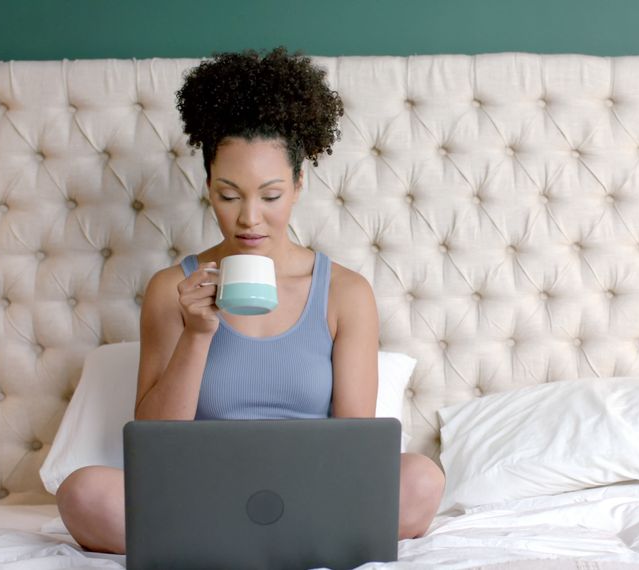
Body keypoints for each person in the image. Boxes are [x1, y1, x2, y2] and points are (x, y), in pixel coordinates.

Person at [55, 47, 446, 555]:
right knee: (81, 491)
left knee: (421, 477)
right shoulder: (171, 288)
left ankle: (231, 547)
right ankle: (287, 546)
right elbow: (153, 443)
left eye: (270, 195)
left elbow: (357, 451)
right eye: (229, 194)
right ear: (208, 188)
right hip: (198, 495)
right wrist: (197, 335)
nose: (249, 219)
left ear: (300, 184)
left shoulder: (345, 293)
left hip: (314, 495)